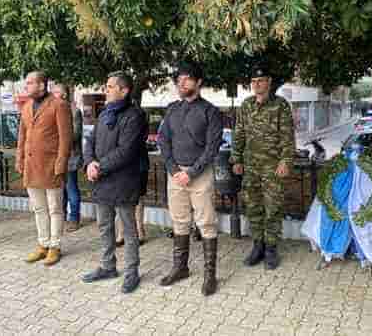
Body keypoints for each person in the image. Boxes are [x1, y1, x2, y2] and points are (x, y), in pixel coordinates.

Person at [158, 61, 223, 296]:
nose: (181, 83)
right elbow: (163, 140)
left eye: (186, 79)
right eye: (178, 80)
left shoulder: (211, 112)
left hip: (200, 174)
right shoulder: (172, 109)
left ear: (199, 82)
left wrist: (191, 172)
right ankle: (180, 268)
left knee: (206, 222)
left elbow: (212, 148)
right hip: (176, 174)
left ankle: (210, 275)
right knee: (179, 220)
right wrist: (173, 169)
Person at [81, 72, 147, 294]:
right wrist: (89, 162)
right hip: (102, 181)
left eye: (110, 86)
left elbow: (126, 151)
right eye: (106, 86)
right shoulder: (105, 113)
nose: (106, 90)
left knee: (128, 229)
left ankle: (132, 272)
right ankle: (108, 266)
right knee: (104, 226)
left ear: (124, 90)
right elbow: (90, 141)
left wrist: (99, 167)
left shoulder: (135, 116)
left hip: (124, 181)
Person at [231, 66, 295, 270]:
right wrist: (236, 159)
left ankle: (271, 249)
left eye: (260, 80)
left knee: (273, 208)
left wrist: (285, 161)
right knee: (253, 207)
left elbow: (287, 136)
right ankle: (258, 246)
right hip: (250, 167)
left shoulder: (280, 105)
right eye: (253, 81)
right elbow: (239, 133)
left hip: (272, 167)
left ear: (269, 82)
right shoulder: (246, 105)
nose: (256, 84)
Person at [16, 71, 72, 266]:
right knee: (39, 208)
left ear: (41, 85)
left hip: (51, 166)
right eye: (26, 83)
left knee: (55, 208)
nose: (26, 86)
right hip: (31, 166)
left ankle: (55, 246)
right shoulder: (26, 106)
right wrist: (19, 158)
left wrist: (61, 164)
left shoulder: (59, 105)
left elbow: (66, 138)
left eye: (30, 83)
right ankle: (43, 244)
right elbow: (22, 136)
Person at [116, 100, 149, 246]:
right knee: (120, 198)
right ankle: (121, 232)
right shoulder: (117, 116)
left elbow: (141, 138)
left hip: (139, 163)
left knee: (138, 198)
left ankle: (139, 231)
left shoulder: (139, 116)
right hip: (122, 164)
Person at [51, 84, 83, 232]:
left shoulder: (74, 111)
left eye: (56, 92)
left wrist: (56, 136)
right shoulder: (54, 109)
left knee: (71, 188)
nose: (53, 94)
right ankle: (61, 216)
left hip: (70, 157)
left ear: (64, 94)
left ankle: (74, 218)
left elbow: (75, 134)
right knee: (60, 188)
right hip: (56, 156)